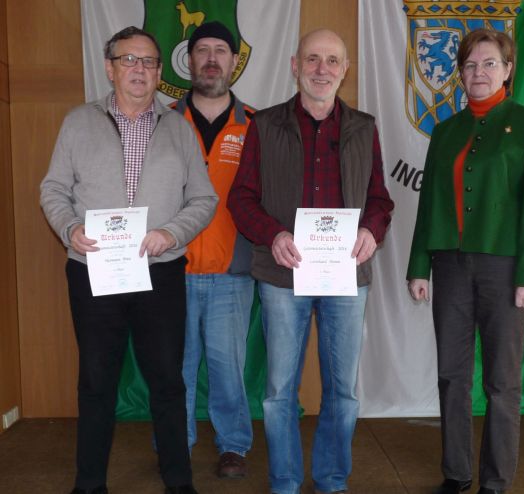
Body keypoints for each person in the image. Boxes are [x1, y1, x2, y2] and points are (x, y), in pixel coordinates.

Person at [40, 26, 218, 494]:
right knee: (96, 382)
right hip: (93, 271)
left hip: (161, 273)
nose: (139, 69)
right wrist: (70, 229)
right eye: (129, 60)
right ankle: (88, 484)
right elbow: (53, 189)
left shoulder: (178, 129)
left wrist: (170, 233)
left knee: (168, 382)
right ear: (109, 67)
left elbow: (204, 199)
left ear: (160, 73)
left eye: (149, 62)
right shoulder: (78, 122)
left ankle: (179, 482)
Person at [227, 28, 394, 494]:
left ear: (345, 70)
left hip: (347, 275)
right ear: (295, 65)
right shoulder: (264, 125)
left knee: (343, 390)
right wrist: (274, 234)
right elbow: (241, 198)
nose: (323, 69)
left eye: (333, 60)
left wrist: (371, 230)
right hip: (284, 274)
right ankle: (284, 481)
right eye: (313, 59)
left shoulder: (364, 127)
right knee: (280, 390)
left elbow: (380, 199)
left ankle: (332, 480)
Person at [406, 29, 524, 494]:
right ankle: (456, 473)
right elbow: (430, 203)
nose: (479, 72)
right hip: (450, 267)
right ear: (460, 73)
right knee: (451, 376)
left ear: (508, 70)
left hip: (506, 270)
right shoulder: (446, 131)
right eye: (470, 65)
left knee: (502, 382)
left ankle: (496, 481)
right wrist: (419, 265)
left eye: (489, 63)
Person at [173, 21, 255, 477]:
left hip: (231, 272)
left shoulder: (256, 125)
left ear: (234, 61)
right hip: (172, 267)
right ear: (189, 60)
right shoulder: (163, 121)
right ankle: (175, 443)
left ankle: (234, 446)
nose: (210, 59)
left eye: (220, 51)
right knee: (176, 367)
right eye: (201, 50)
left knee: (228, 367)